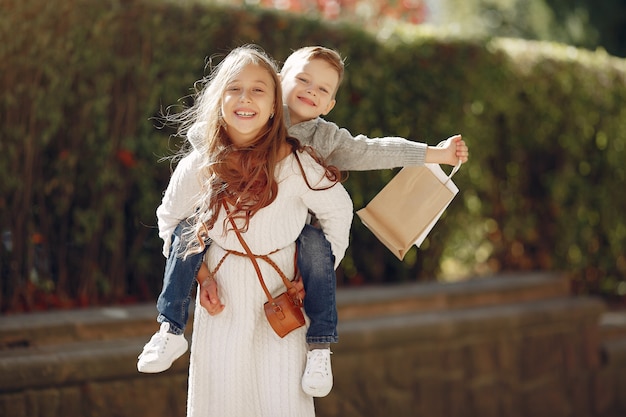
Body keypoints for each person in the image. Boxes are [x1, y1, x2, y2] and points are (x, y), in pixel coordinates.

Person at [138, 46, 469, 398]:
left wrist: (437, 153)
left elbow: (374, 150)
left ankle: (320, 346)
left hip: (289, 239)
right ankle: (170, 329)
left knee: (314, 245)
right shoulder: (253, 108)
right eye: (303, 80)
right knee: (189, 230)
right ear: (280, 82)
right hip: (228, 239)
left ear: (329, 105)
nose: (311, 90)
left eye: (323, 90)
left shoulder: (323, 139)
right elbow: (202, 136)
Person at [160, 44, 353, 416]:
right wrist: (200, 274)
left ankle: (320, 347)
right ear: (218, 99)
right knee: (220, 398)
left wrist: (313, 275)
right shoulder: (201, 163)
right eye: (234, 87)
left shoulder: (297, 163)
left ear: (274, 107)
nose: (245, 98)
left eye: (258, 90)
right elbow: (170, 219)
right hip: (222, 299)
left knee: (282, 400)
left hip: (279, 295)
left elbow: (339, 212)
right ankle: (167, 329)